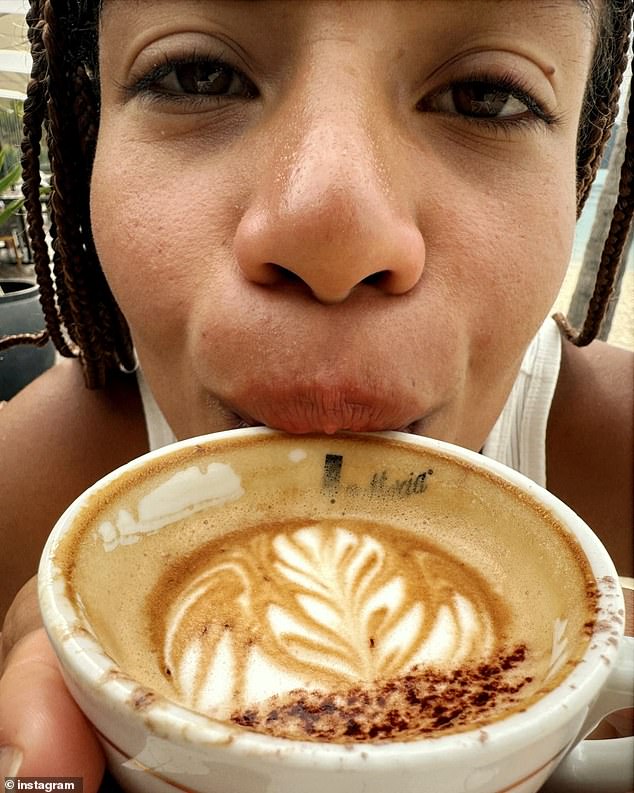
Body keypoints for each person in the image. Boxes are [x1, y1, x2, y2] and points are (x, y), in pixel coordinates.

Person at [0, 0, 633, 788]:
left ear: (581, 161)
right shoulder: (14, 487)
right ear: (91, 138)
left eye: (485, 96)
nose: (332, 233)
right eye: (199, 75)